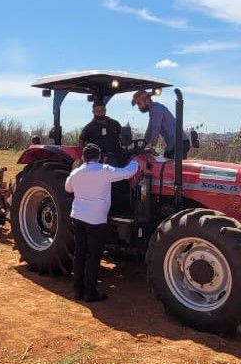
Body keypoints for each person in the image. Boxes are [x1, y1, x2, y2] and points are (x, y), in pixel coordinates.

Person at [64, 143, 139, 301]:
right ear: (99, 157)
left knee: (80, 253)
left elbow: (68, 188)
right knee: (93, 255)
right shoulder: (105, 170)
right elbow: (127, 173)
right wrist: (135, 161)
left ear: (84, 157)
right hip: (96, 220)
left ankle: (78, 290)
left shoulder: (76, 172)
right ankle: (90, 293)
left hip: (77, 216)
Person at [132, 90, 190, 159]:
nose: (138, 107)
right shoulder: (152, 111)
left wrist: (152, 148)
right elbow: (149, 131)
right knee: (165, 158)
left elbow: (155, 131)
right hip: (174, 144)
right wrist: (142, 147)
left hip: (180, 143)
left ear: (147, 100)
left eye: (139, 103)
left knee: (167, 163)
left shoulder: (156, 109)